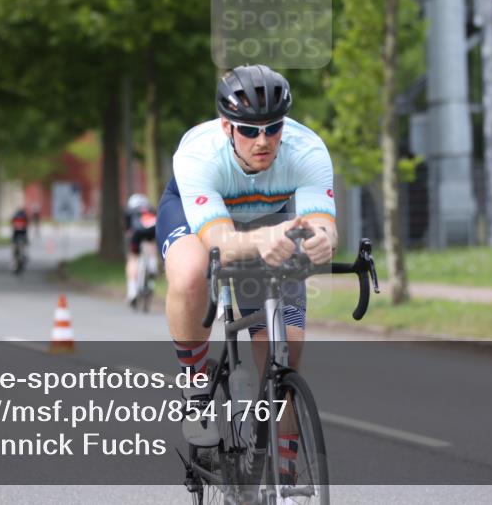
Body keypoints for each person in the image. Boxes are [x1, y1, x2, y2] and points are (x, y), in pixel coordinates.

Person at [155, 65, 337, 460]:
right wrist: (263, 239)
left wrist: (323, 242)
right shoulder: (197, 155)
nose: (263, 140)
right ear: (227, 127)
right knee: (190, 272)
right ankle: (196, 382)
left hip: (268, 219)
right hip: (200, 218)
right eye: (250, 130)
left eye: (273, 128)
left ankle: (285, 474)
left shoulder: (307, 150)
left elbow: (322, 224)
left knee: (284, 346)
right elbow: (219, 241)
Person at [123, 193, 158, 306]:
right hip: (152, 230)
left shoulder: (129, 211)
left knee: (133, 258)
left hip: (137, 233)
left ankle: (132, 291)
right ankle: (153, 266)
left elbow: (128, 230)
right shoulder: (150, 209)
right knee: (151, 244)